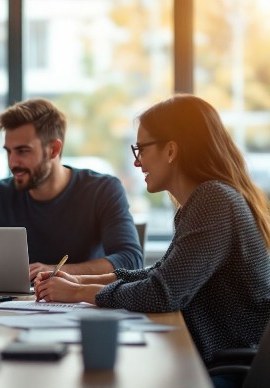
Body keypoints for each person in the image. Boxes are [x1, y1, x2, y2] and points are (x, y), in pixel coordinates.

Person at [34, 94, 270, 371]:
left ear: (171, 151)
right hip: (213, 357)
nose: (137, 163)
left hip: (225, 367)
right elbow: (160, 273)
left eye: (141, 150)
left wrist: (77, 293)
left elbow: (161, 293)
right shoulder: (203, 201)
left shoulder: (214, 200)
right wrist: (80, 279)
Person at [0, 98, 143, 280]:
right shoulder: (1, 194)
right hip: (12, 310)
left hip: (80, 306)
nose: (12, 162)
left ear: (53, 149)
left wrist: (54, 271)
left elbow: (130, 260)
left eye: (23, 151)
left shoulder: (102, 189)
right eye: (8, 151)